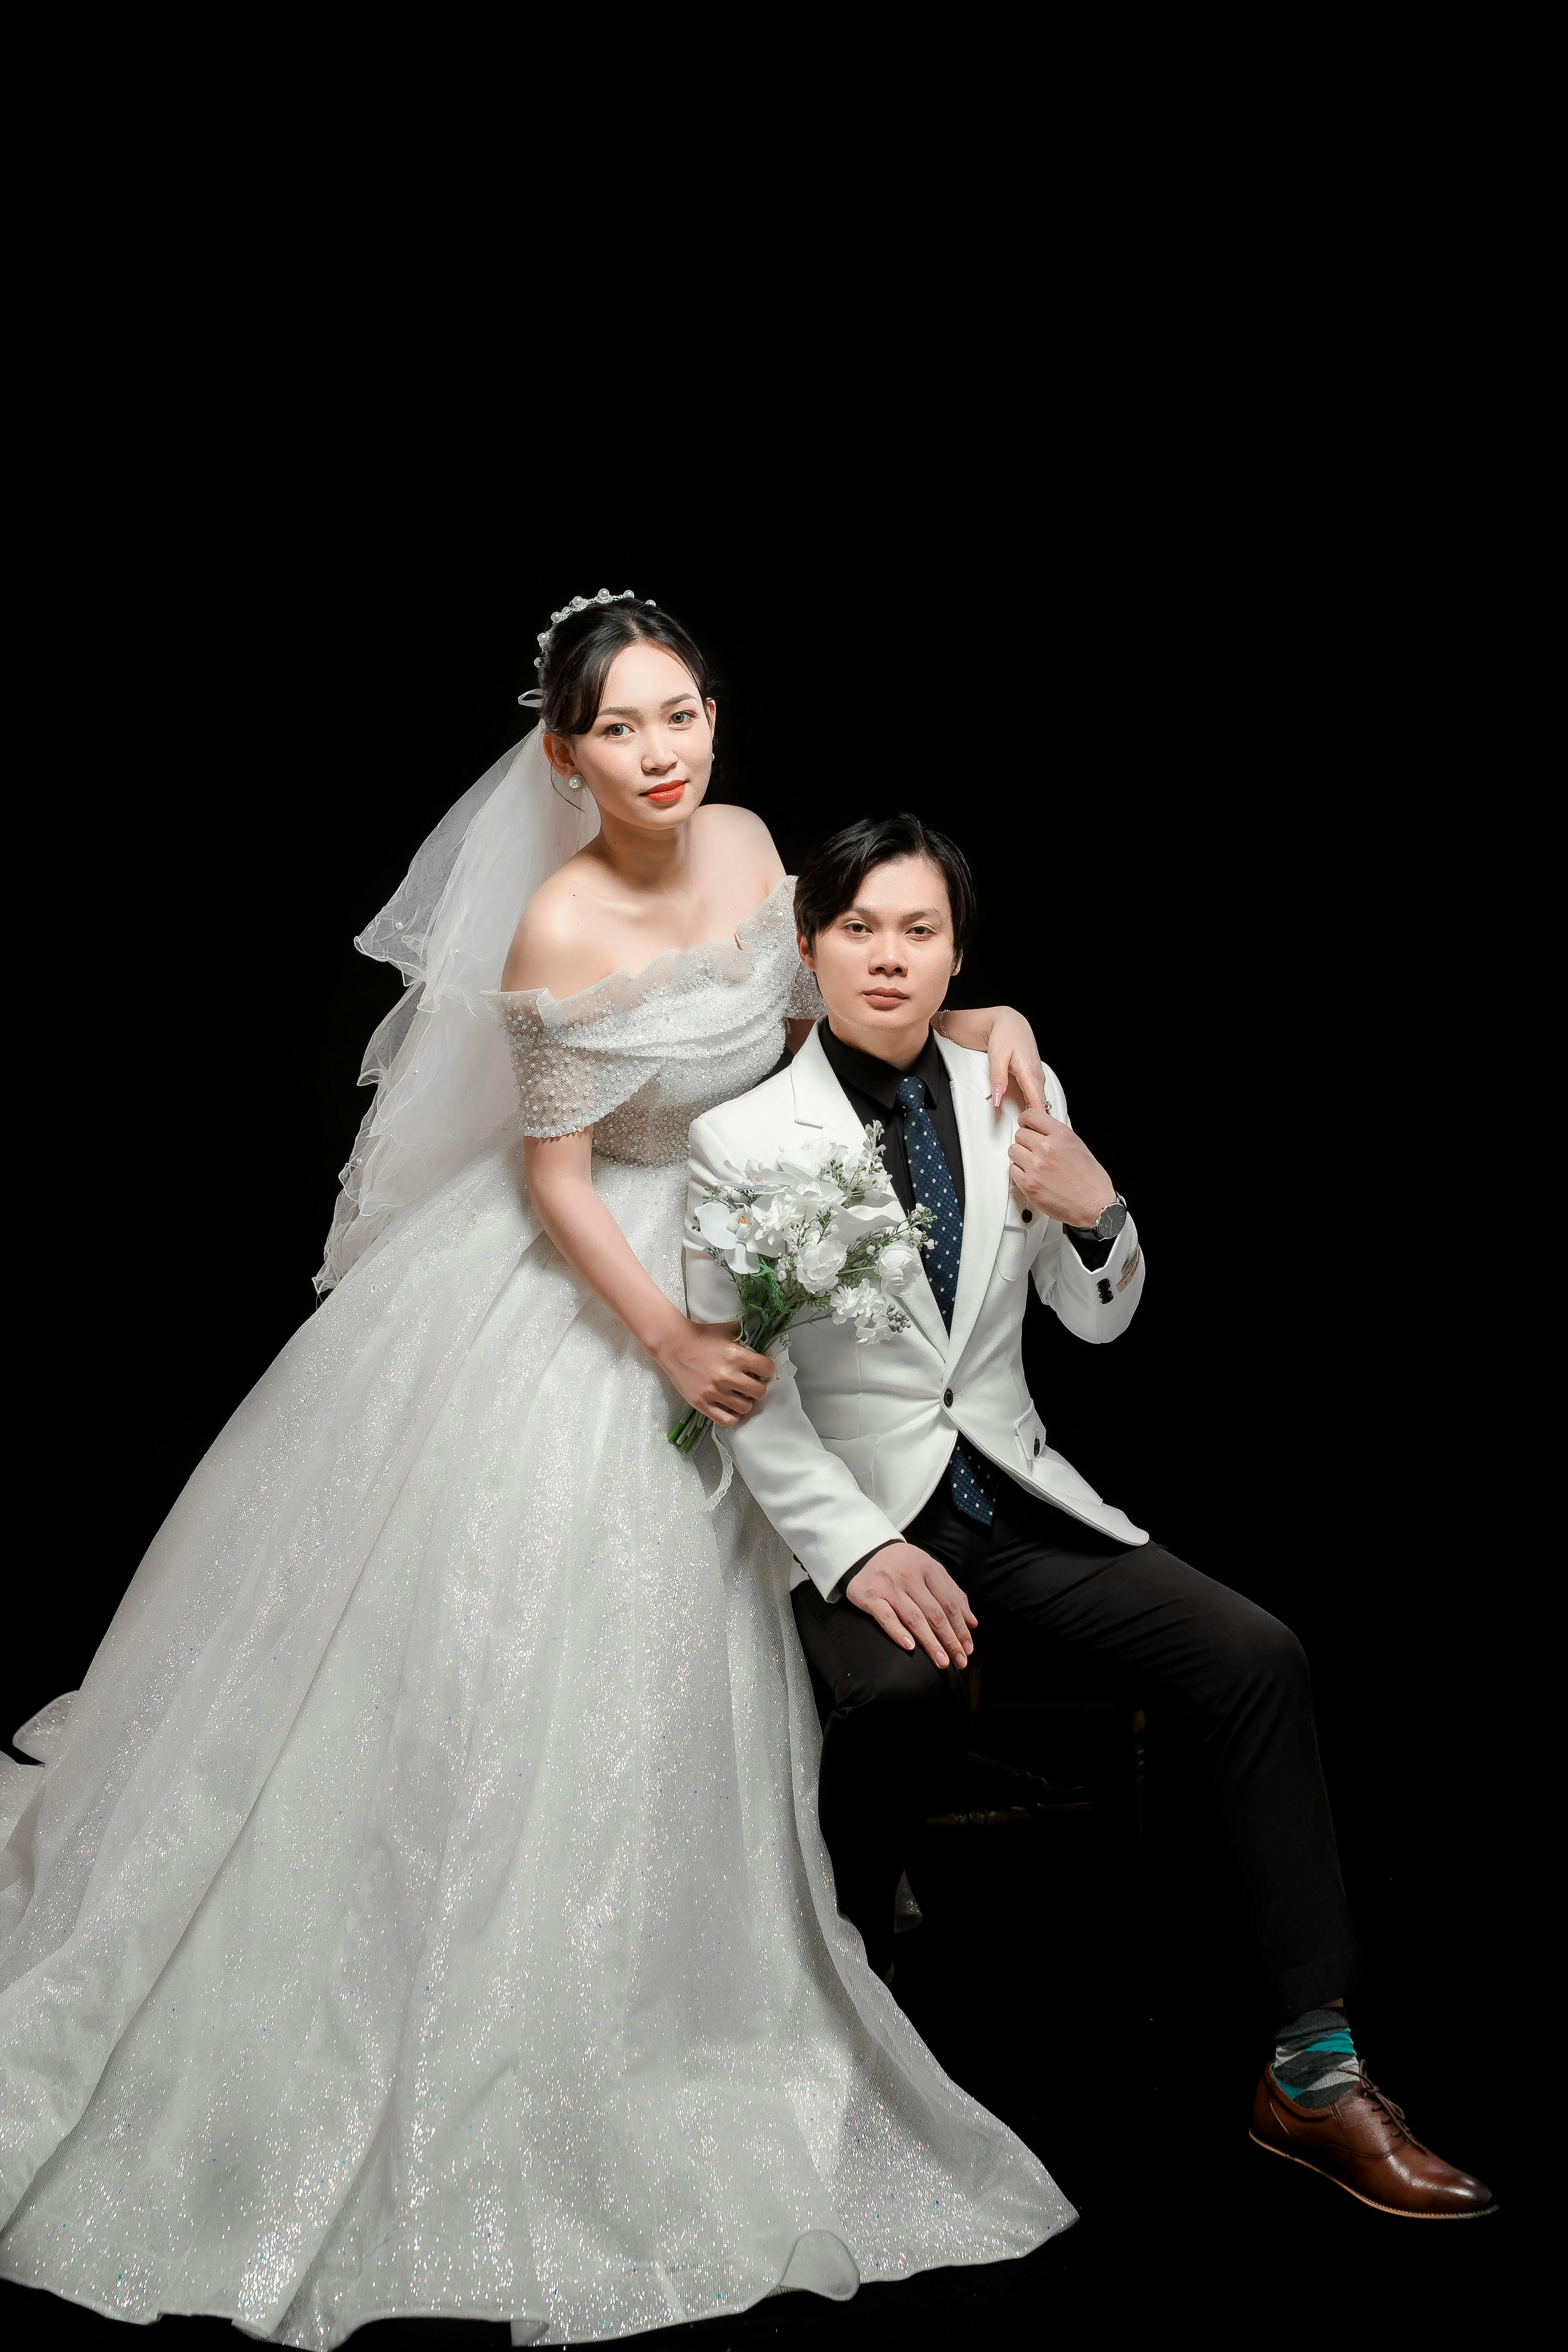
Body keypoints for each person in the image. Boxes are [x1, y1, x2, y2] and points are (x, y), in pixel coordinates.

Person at [0, 596, 1075, 2345]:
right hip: (599, 1281)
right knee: (533, 1630)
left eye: (686, 715)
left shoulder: (743, 841)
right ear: (564, 756)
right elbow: (559, 1180)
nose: (666, 754)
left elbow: (831, 995)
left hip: (750, 1214)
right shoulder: (559, 923)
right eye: (624, 730)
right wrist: (667, 1340)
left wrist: (976, 1015)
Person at [685, 812, 1494, 2223]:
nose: (889, 955)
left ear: (956, 954)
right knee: (903, 1698)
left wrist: (1098, 1211)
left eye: (918, 929)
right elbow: (745, 1389)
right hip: (850, 1523)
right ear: (808, 950)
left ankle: (1309, 2071)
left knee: (1256, 1654)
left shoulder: (1013, 1075)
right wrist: (860, 1548)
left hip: (1012, 1502)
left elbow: (1095, 1320)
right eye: (859, 928)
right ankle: (846, 2025)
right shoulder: (740, 1135)